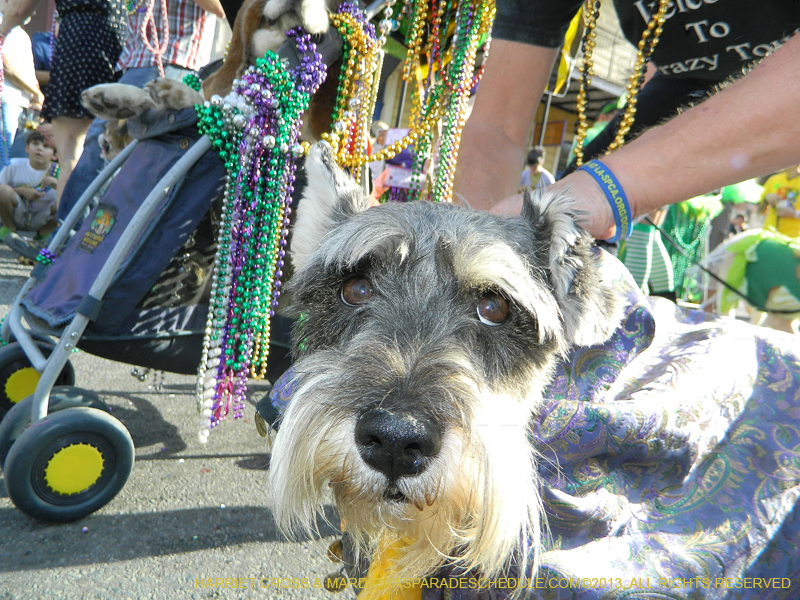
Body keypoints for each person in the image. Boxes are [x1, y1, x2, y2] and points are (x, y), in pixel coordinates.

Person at [454, 1, 800, 232]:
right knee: (561, 202)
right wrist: (470, 237)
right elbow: (497, 124)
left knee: (584, 194)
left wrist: (612, 188)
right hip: (686, 82)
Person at [56, 0, 223, 222]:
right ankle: (79, 240)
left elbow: (220, 8)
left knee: (112, 147)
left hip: (170, 63)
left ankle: (72, 240)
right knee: (108, 147)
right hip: (136, 63)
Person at [0, 0, 127, 209]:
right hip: (120, 50)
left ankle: (67, 234)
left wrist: (2, 32)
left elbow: (20, 8)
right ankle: (94, 234)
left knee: (70, 154)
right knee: (106, 150)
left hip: (80, 45)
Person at [0, 127, 58, 254]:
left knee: (64, 202)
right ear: (27, 148)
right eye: (35, 144)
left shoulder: (59, 172)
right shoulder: (14, 165)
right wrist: (22, 191)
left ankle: (42, 236)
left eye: (46, 146)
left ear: (55, 155)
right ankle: (9, 229)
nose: (39, 148)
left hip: (43, 218)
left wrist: (57, 184)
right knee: (2, 190)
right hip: (17, 214)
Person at [0, 2, 43, 154]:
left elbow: (27, 70)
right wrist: (35, 92)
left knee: (11, 159)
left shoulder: (20, 34)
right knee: (3, 157)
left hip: (21, 105)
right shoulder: (2, 27)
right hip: (6, 101)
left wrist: (35, 95)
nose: (32, 11)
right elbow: (6, 66)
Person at [760, 164, 800, 238]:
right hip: (769, 234)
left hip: (794, 237)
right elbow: (760, 210)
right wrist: (766, 199)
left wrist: (795, 214)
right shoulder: (774, 179)